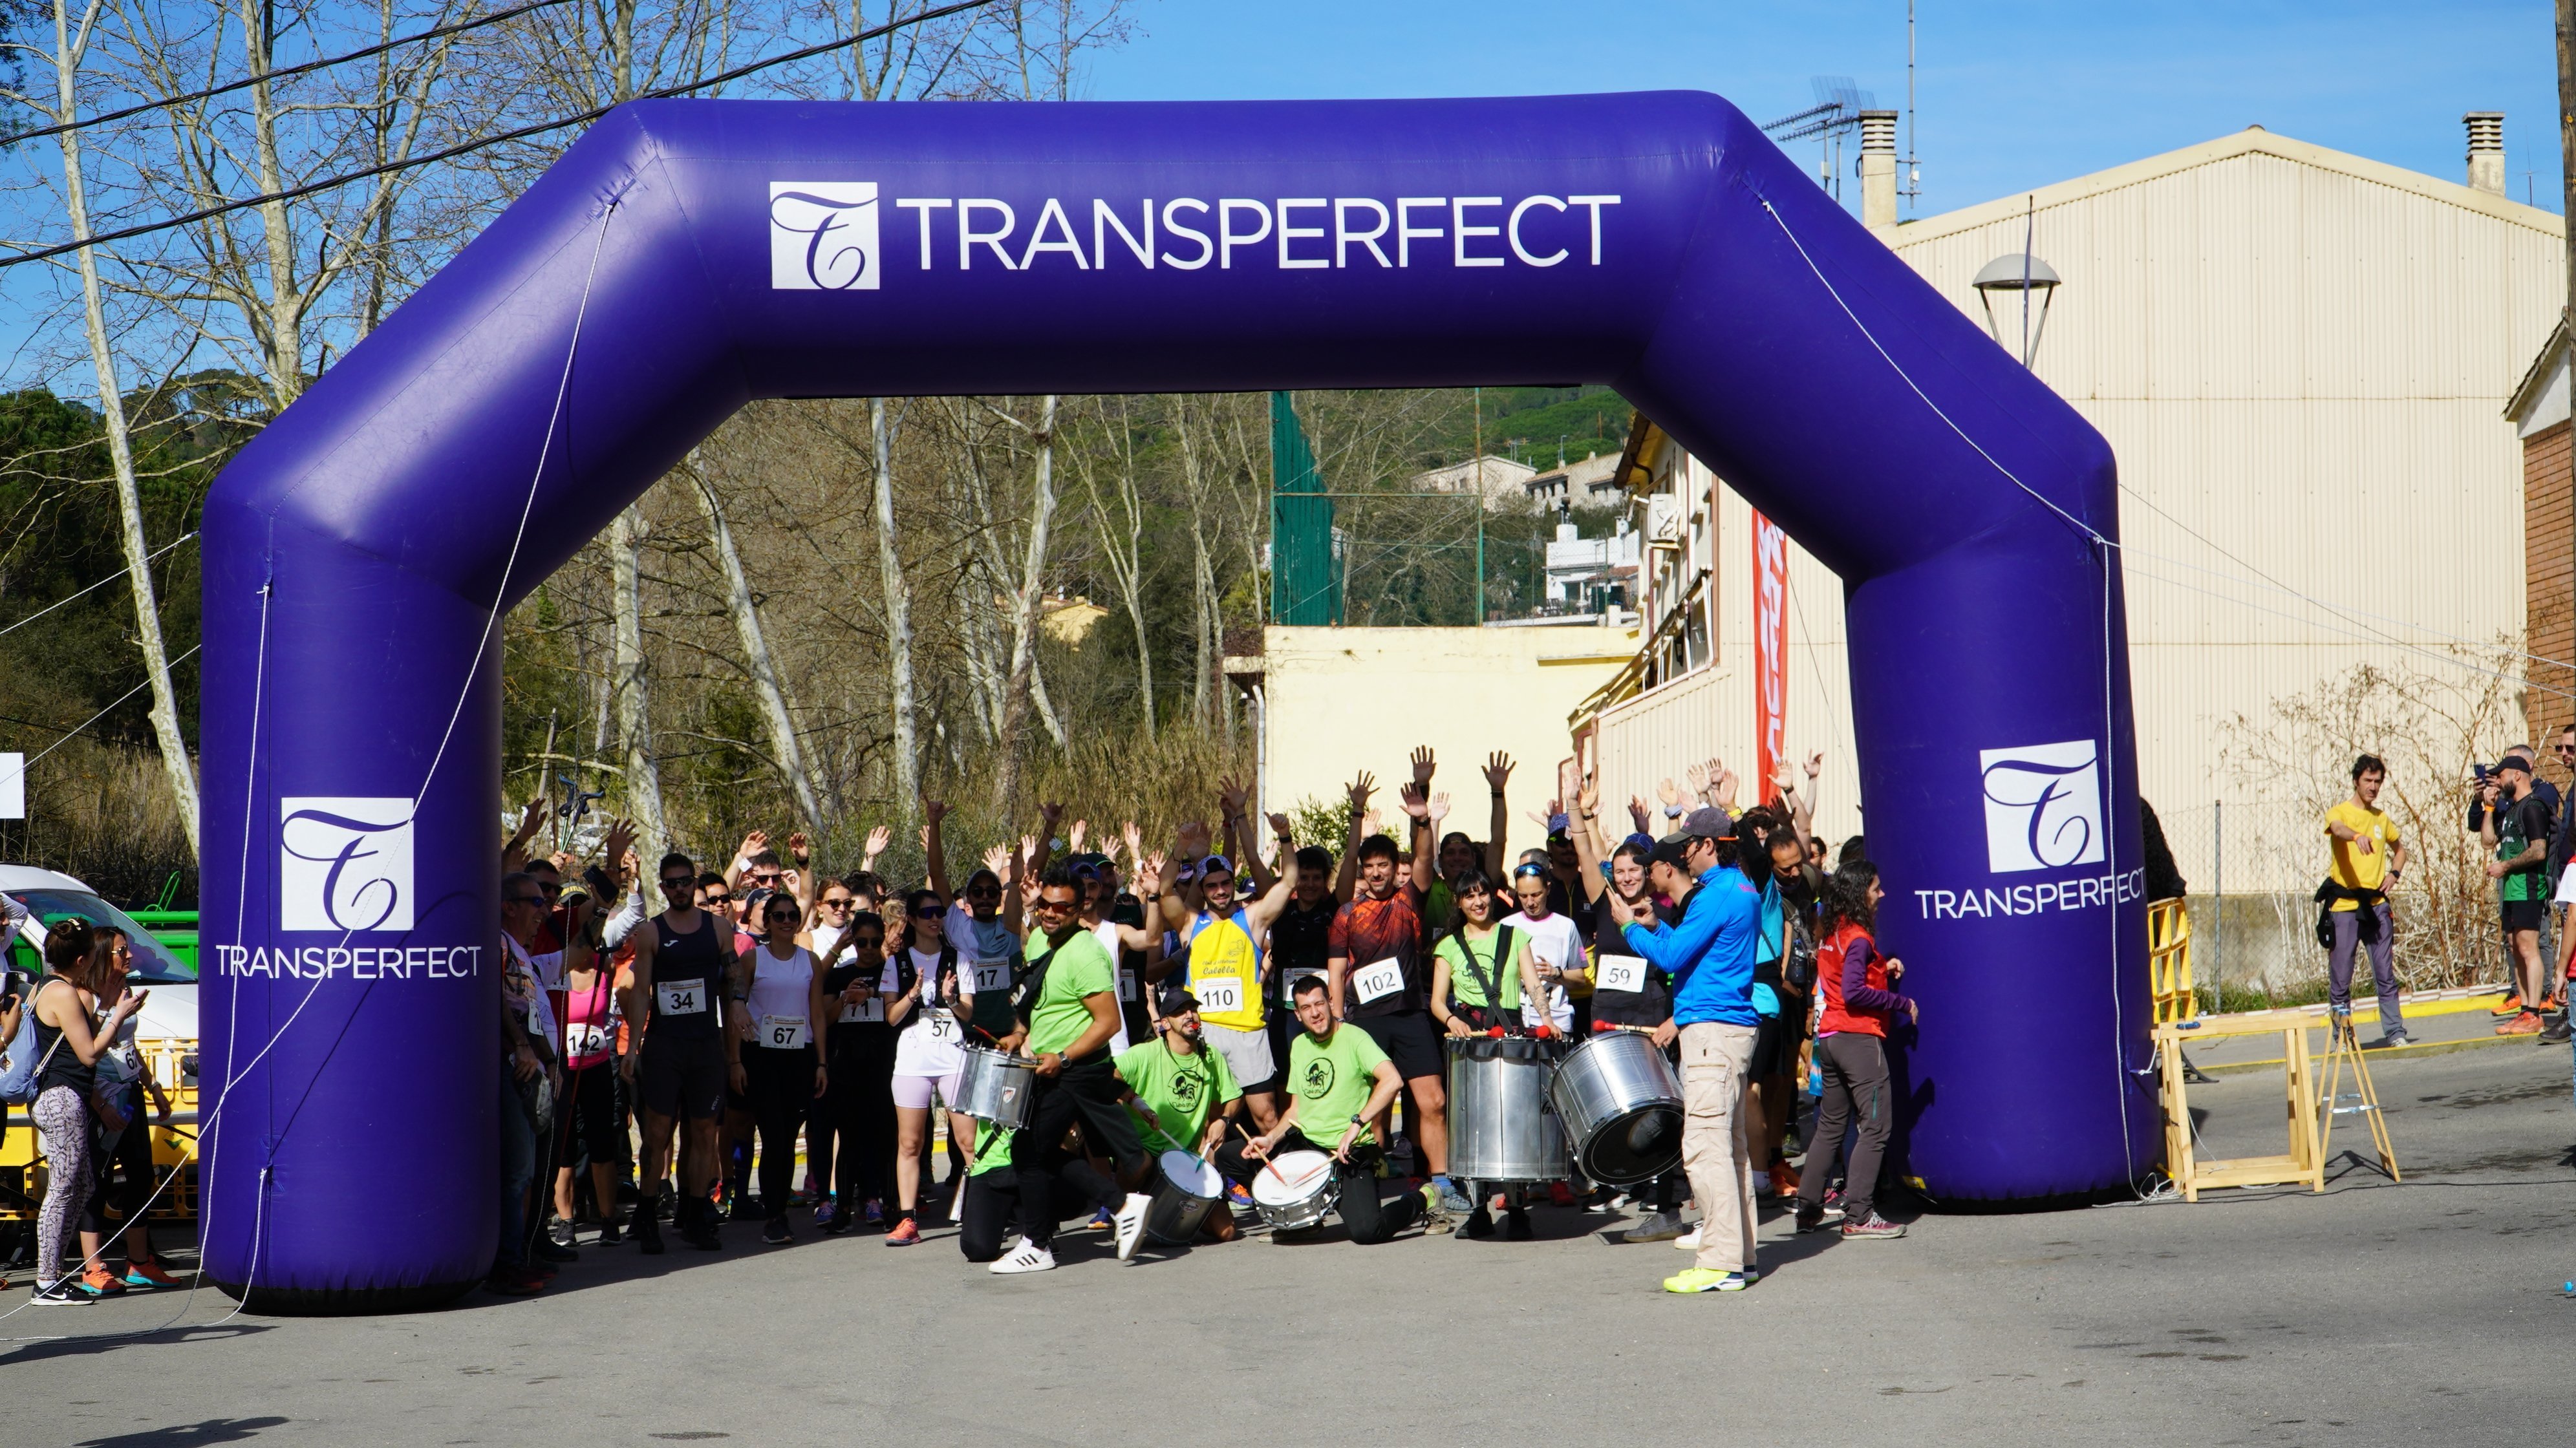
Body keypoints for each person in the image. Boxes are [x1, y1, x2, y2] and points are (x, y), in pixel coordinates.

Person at [1612, 807, 1765, 1294]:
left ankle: (1722, 1263)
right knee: (1731, 1151)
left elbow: (1674, 959)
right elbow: (1688, 948)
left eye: (1688, 846)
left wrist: (1630, 928)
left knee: (1705, 1149)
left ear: (1709, 845)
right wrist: (1655, 924)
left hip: (1713, 1034)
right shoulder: (1737, 888)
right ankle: (1740, 1257)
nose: (1682, 854)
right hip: (1727, 1030)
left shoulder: (1716, 893)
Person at [988, 869, 1153, 1274]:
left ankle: (1040, 1242)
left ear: (1080, 909)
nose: (1050, 913)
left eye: (1061, 907)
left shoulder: (1086, 953)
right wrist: (1019, 1034)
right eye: (1044, 904)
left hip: (1075, 1069)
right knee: (1035, 1151)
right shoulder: (1046, 941)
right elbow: (1039, 1000)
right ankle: (1115, 1206)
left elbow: (1108, 1023)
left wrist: (1062, 1058)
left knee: (1028, 1151)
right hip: (1052, 1067)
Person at [1327, 774, 1464, 1222]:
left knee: (1434, 1102)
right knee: (1369, 1110)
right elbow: (1336, 971)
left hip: (1408, 1018)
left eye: (1385, 864)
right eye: (1371, 866)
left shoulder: (1409, 902)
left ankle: (1441, 1184)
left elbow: (1424, 861)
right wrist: (1334, 1023)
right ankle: (1362, 1176)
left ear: (1393, 867)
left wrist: (1422, 822)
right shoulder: (1347, 914)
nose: (1378, 872)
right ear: (1364, 870)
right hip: (1364, 1022)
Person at [1233, 975, 1430, 1244]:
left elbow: (1393, 1080)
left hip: (1349, 1151)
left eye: (1319, 1004)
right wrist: (1270, 1139)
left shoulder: (1355, 1038)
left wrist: (1356, 1125)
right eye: (1306, 1008)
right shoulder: (1300, 1045)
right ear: (1298, 1015)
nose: (1315, 1013)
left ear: (1331, 1002)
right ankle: (1304, 1222)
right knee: (1232, 1157)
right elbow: (1295, 1110)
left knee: (1367, 1232)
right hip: (1308, 1147)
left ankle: (1424, 1198)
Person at [623, 851, 745, 1253]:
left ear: (695, 884)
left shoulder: (718, 928)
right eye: (671, 883)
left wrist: (739, 1009)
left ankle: (695, 1215)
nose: (679, 888)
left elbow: (732, 980)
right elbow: (641, 992)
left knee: (704, 1133)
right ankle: (646, 1212)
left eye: (685, 881)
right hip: (665, 1047)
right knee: (657, 1134)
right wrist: (634, 1047)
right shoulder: (652, 933)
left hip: (705, 1046)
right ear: (663, 888)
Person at [25, 920, 147, 1304]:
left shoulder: (48, 987)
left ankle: (55, 1274)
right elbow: (90, 1052)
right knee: (64, 1189)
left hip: (63, 1097)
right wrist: (118, 1015)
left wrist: (110, 1007)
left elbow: (80, 1035)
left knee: (82, 1186)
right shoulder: (62, 992)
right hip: (61, 1098)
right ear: (81, 959)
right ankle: (46, 1279)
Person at [1153, 804, 1293, 1133]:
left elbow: (1288, 882)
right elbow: (1163, 891)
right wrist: (1179, 849)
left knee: (1266, 1117)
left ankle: (1267, 1180)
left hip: (1248, 1033)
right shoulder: (1190, 924)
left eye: (1225, 883)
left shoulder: (1253, 918)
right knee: (1210, 1118)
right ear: (1202, 890)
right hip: (1206, 1031)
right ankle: (1215, 1183)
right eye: (1212, 885)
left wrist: (1284, 837)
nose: (1220, 890)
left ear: (1233, 884)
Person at [1796, 860, 1912, 1240]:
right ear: (1861, 891)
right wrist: (1901, 1003)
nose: (1882, 894)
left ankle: (1808, 1208)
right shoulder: (1859, 935)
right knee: (1876, 1126)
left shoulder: (1834, 930)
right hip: (1858, 1040)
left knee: (1830, 1127)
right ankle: (1860, 1215)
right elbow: (1854, 991)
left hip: (1829, 1041)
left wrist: (1882, 966)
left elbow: (1849, 971)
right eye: (1876, 888)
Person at [75, 926, 181, 1292]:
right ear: (102, 954)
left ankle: (139, 1262)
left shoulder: (124, 990)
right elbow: (77, 1058)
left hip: (129, 1092)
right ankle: (93, 1267)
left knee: (141, 1175)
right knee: (97, 1182)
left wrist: (153, 1087)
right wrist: (100, 1104)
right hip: (97, 1097)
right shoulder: (85, 998)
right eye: (122, 951)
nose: (130, 956)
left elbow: (127, 1046)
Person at [884, 886, 976, 1245]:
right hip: (911, 1063)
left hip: (953, 1059)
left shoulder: (959, 958)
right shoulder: (898, 962)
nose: (935, 918)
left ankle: (979, 1208)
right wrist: (912, 992)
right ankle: (907, 1220)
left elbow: (968, 1013)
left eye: (939, 912)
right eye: (927, 913)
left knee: (968, 1141)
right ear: (912, 920)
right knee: (909, 1143)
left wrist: (952, 1000)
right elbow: (891, 1018)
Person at [1115, 986, 1245, 1240]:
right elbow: (1110, 1076)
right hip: (1148, 1151)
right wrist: (1134, 1100)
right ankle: (1120, 1210)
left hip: (1186, 1158)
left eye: (1193, 1010)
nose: (1190, 1015)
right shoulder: (1146, 1053)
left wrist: (1223, 1120)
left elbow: (1235, 1097)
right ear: (1165, 1022)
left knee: (1227, 1232)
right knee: (1140, 1162)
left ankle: (1166, 1212)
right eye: (1180, 1012)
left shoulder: (1211, 1057)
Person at [737, 892, 828, 1244]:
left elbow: (817, 1014)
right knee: (773, 1135)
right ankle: (773, 1214)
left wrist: (821, 1062)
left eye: (793, 915)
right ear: (769, 921)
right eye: (780, 916)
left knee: (788, 1139)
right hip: (762, 1057)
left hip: (800, 1056)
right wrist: (734, 1062)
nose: (787, 921)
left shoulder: (811, 961)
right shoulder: (752, 959)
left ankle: (778, 1210)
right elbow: (735, 1009)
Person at [814, 910, 899, 1233]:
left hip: (883, 1064)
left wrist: (873, 994)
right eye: (861, 941)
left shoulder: (891, 973)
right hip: (846, 1065)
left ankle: (883, 1200)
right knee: (849, 1138)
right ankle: (844, 1206)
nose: (867, 948)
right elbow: (824, 1016)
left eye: (874, 941)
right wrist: (846, 998)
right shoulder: (840, 974)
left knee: (884, 1136)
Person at [2322, 754, 2411, 1049]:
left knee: (2385, 972)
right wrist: (2355, 836)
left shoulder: (2382, 819)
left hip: (2376, 906)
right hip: (2345, 907)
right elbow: (2337, 829)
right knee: (2341, 977)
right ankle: (2342, 1036)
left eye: (2377, 781)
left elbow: (2401, 850)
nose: (2373, 787)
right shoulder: (2340, 812)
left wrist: (2394, 874)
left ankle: (2395, 1031)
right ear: (2356, 781)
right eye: (2367, 781)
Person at [2481, 755, 2551, 1037]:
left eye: (2502, 775)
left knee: (2527, 948)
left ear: (2518, 775)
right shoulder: (2510, 809)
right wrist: (2488, 806)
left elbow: (2539, 850)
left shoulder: (2533, 807)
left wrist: (2506, 866)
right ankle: (2524, 1010)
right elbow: (2487, 841)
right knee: (2515, 948)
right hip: (2511, 889)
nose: (2498, 780)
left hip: (2528, 887)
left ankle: (2534, 1013)